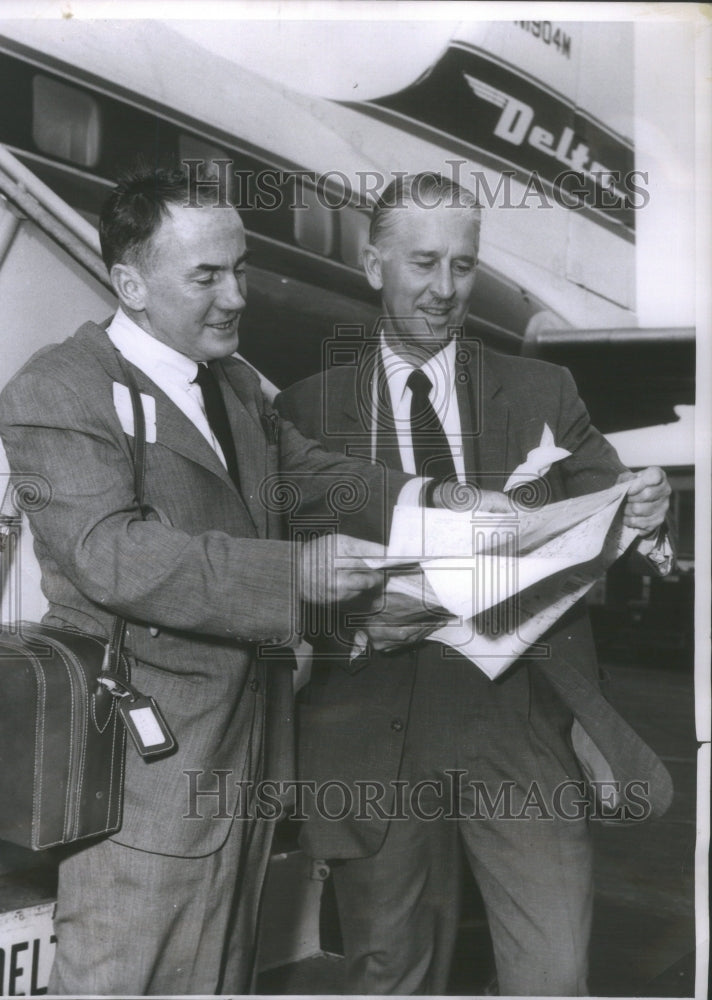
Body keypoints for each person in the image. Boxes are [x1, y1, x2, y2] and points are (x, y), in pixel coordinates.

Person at [0, 166, 428, 995]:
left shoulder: (229, 381)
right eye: (206, 276)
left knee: (221, 980)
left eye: (239, 270)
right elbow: (114, 552)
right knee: (123, 976)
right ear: (132, 283)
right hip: (142, 775)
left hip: (249, 758)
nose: (235, 296)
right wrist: (298, 574)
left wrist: (437, 500)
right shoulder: (57, 391)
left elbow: (309, 476)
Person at [275, 172, 674, 996]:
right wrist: (348, 624)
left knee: (555, 970)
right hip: (373, 715)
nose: (445, 289)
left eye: (464, 265)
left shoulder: (542, 390)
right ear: (373, 262)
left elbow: (615, 503)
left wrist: (650, 508)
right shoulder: (305, 410)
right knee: (390, 971)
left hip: (520, 714)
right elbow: (281, 572)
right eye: (424, 263)